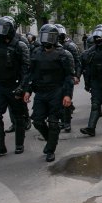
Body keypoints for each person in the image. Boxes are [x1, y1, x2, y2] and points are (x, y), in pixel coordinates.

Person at [23, 24, 74, 162]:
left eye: (49, 36)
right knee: (38, 121)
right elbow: (30, 74)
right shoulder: (36, 53)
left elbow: (68, 77)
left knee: (53, 122)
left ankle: (50, 149)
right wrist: (27, 90)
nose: (46, 40)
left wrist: (67, 94)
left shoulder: (63, 54)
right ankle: (49, 140)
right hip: (41, 91)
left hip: (56, 91)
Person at [0, 16, 31, 158]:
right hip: (0, 86)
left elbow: (26, 69)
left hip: (15, 85)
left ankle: (19, 144)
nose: (1, 32)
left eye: (3, 29)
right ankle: (0, 146)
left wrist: (22, 87)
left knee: (18, 117)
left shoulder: (20, 45)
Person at [55, 24, 80, 133]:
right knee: (58, 100)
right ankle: (62, 120)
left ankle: (67, 123)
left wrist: (76, 75)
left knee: (65, 98)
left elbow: (77, 62)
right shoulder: (52, 46)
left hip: (68, 75)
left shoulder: (70, 46)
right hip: (56, 76)